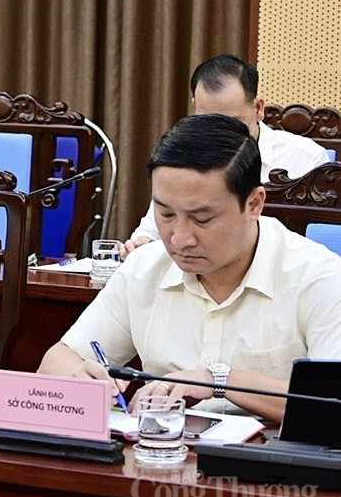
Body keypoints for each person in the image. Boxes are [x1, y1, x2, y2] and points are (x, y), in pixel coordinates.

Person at [39, 113, 341, 422]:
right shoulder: (145, 267)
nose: (180, 238)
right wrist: (79, 379)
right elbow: (56, 362)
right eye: (166, 214)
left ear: (254, 204)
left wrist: (220, 381)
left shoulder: (321, 278)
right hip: (162, 447)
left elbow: (333, 406)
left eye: (202, 219)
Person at [123, 54, 328, 257]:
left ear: (258, 108)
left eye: (232, 123)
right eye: (208, 122)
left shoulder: (305, 158)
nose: (219, 135)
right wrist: (142, 244)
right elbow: (153, 227)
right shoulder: (184, 155)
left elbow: (318, 244)